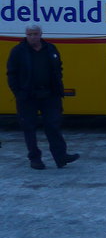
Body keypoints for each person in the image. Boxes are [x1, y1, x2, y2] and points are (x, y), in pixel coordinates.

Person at [6, 24, 79, 170]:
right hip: (28, 96)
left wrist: (57, 86)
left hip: (50, 95)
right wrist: (19, 93)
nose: (33, 37)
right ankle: (35, 159)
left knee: (53, 126)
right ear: (26, 35)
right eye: (30, 34)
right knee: (29, 128)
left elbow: (58, 68)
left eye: (35, 34)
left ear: (41, 34)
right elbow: (11, 74)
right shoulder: (18, 51)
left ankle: (61, 157)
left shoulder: (50, 49)